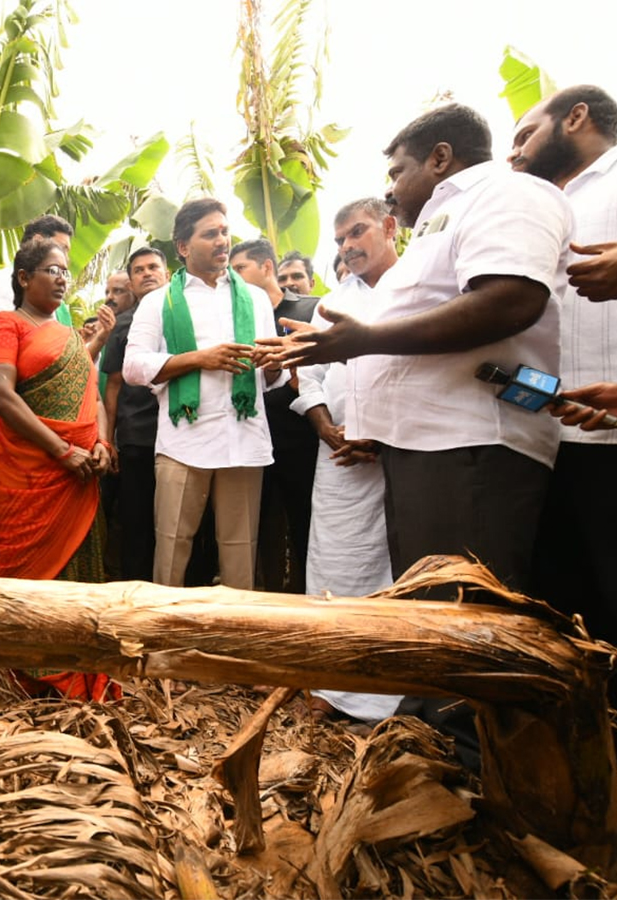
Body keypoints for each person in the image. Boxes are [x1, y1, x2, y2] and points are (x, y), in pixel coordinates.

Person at [267, 102, 572, 596]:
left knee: (464, 615)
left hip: (469, 445)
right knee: (429, 614)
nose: (389, 189)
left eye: (396, 172)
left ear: (441, 158)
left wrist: (364, 340)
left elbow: (510, 299)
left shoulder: (505, 193)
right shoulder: (439, 223)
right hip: (425, 450)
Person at [0, 238, 117, 700]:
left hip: (80, 476)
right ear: (24, 278)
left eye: (65, 271)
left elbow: (91, 397)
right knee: (29, 573)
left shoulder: (71, 338)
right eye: (51, 270)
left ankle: (78, 672)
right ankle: (31, 673)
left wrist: (98, 442)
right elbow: (0, 395)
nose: (62, 278)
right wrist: (61, 450)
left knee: (81, 571)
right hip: (33, 473)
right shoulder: (6, 325)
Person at [124, 199, 281, 589]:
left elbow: (273, 377)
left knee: (241, 552)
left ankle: (233, 640)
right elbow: (133, 367)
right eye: (210, 234)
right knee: (172, 550)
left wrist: (274, 363)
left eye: (225, 232)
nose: (222, 241)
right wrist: (200, 359)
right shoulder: (159, 301)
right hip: (184, 442)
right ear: (182, 246)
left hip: (244, 440)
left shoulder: (255, 299)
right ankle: (161, 640)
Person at [509, 85, 617, 646]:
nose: (515, 151)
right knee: (569, 612)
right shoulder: (542, 202)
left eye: (525, 134)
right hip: (556, 442)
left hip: (611, 443)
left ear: (576, 118)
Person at [292, 197, 401, 723]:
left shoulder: (416, 291)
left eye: (356, 232)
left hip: (397, 456)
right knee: (331, 560)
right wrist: (323, 426)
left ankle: (385, 694)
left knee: (388, 568)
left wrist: (379, 436)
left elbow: (421, 372)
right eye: (338, 241)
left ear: (389, 226)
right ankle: (329, 687)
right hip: (334, 455)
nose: (347, 246)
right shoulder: (332, 301)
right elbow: (308, 373)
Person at [229, 238, 319, 592]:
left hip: (300, 438)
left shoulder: (312, 310)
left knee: (305, 524)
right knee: (258, 529)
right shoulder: (234, 316)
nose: (233, 277)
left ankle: (309, 597)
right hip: (250, 440)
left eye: (240, 269)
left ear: (267, 267)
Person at [102, 247, 169, 581]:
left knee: (178, 524)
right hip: (137, 436)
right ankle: (134, 593)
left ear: (167, 273)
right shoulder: (122, 325)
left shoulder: (184, 315)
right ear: (131, 281)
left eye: (153, 267)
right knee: (137, 523)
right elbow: (112, 386)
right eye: (139, 270)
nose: (147, 273)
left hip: (184, 435)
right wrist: (109, 438)